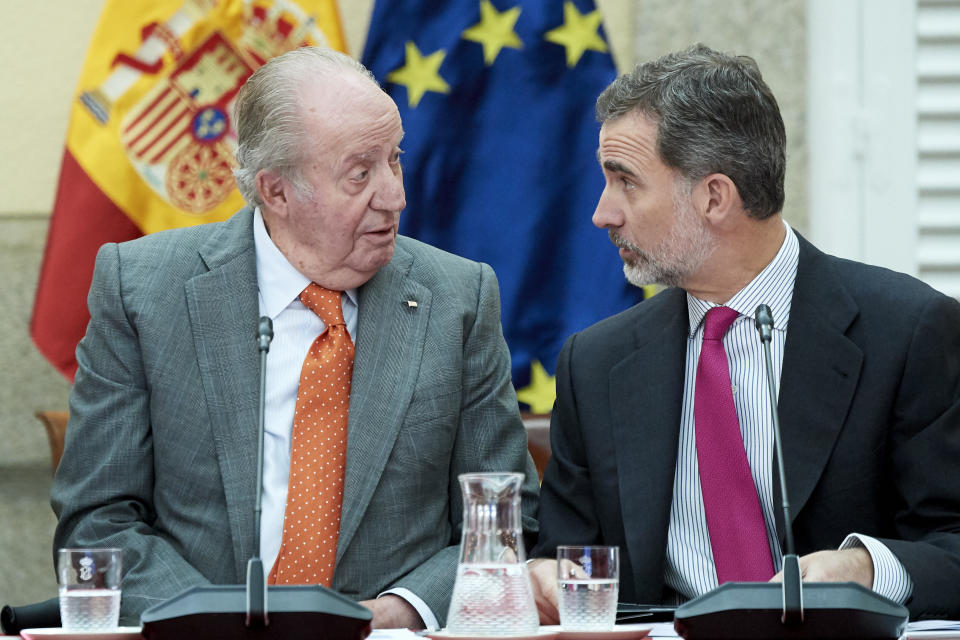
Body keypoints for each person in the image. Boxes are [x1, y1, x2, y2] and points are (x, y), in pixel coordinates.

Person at [51, 47, 539, 629]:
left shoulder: (458, 297)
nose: (394, 196)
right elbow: (97, 520)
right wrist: (216, 620)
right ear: (276, 191)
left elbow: (505, 520)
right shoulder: (144, 289)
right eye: (361, 173)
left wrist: (401, 610)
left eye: (395, 160)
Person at [529, 44, 960, 622]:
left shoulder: (907, 332)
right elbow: (561, 558)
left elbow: (953, 542)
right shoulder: (595, 362)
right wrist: (545, 576)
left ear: (714, 197)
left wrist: (865, 569)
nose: (602, 213)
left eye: (625, 182)